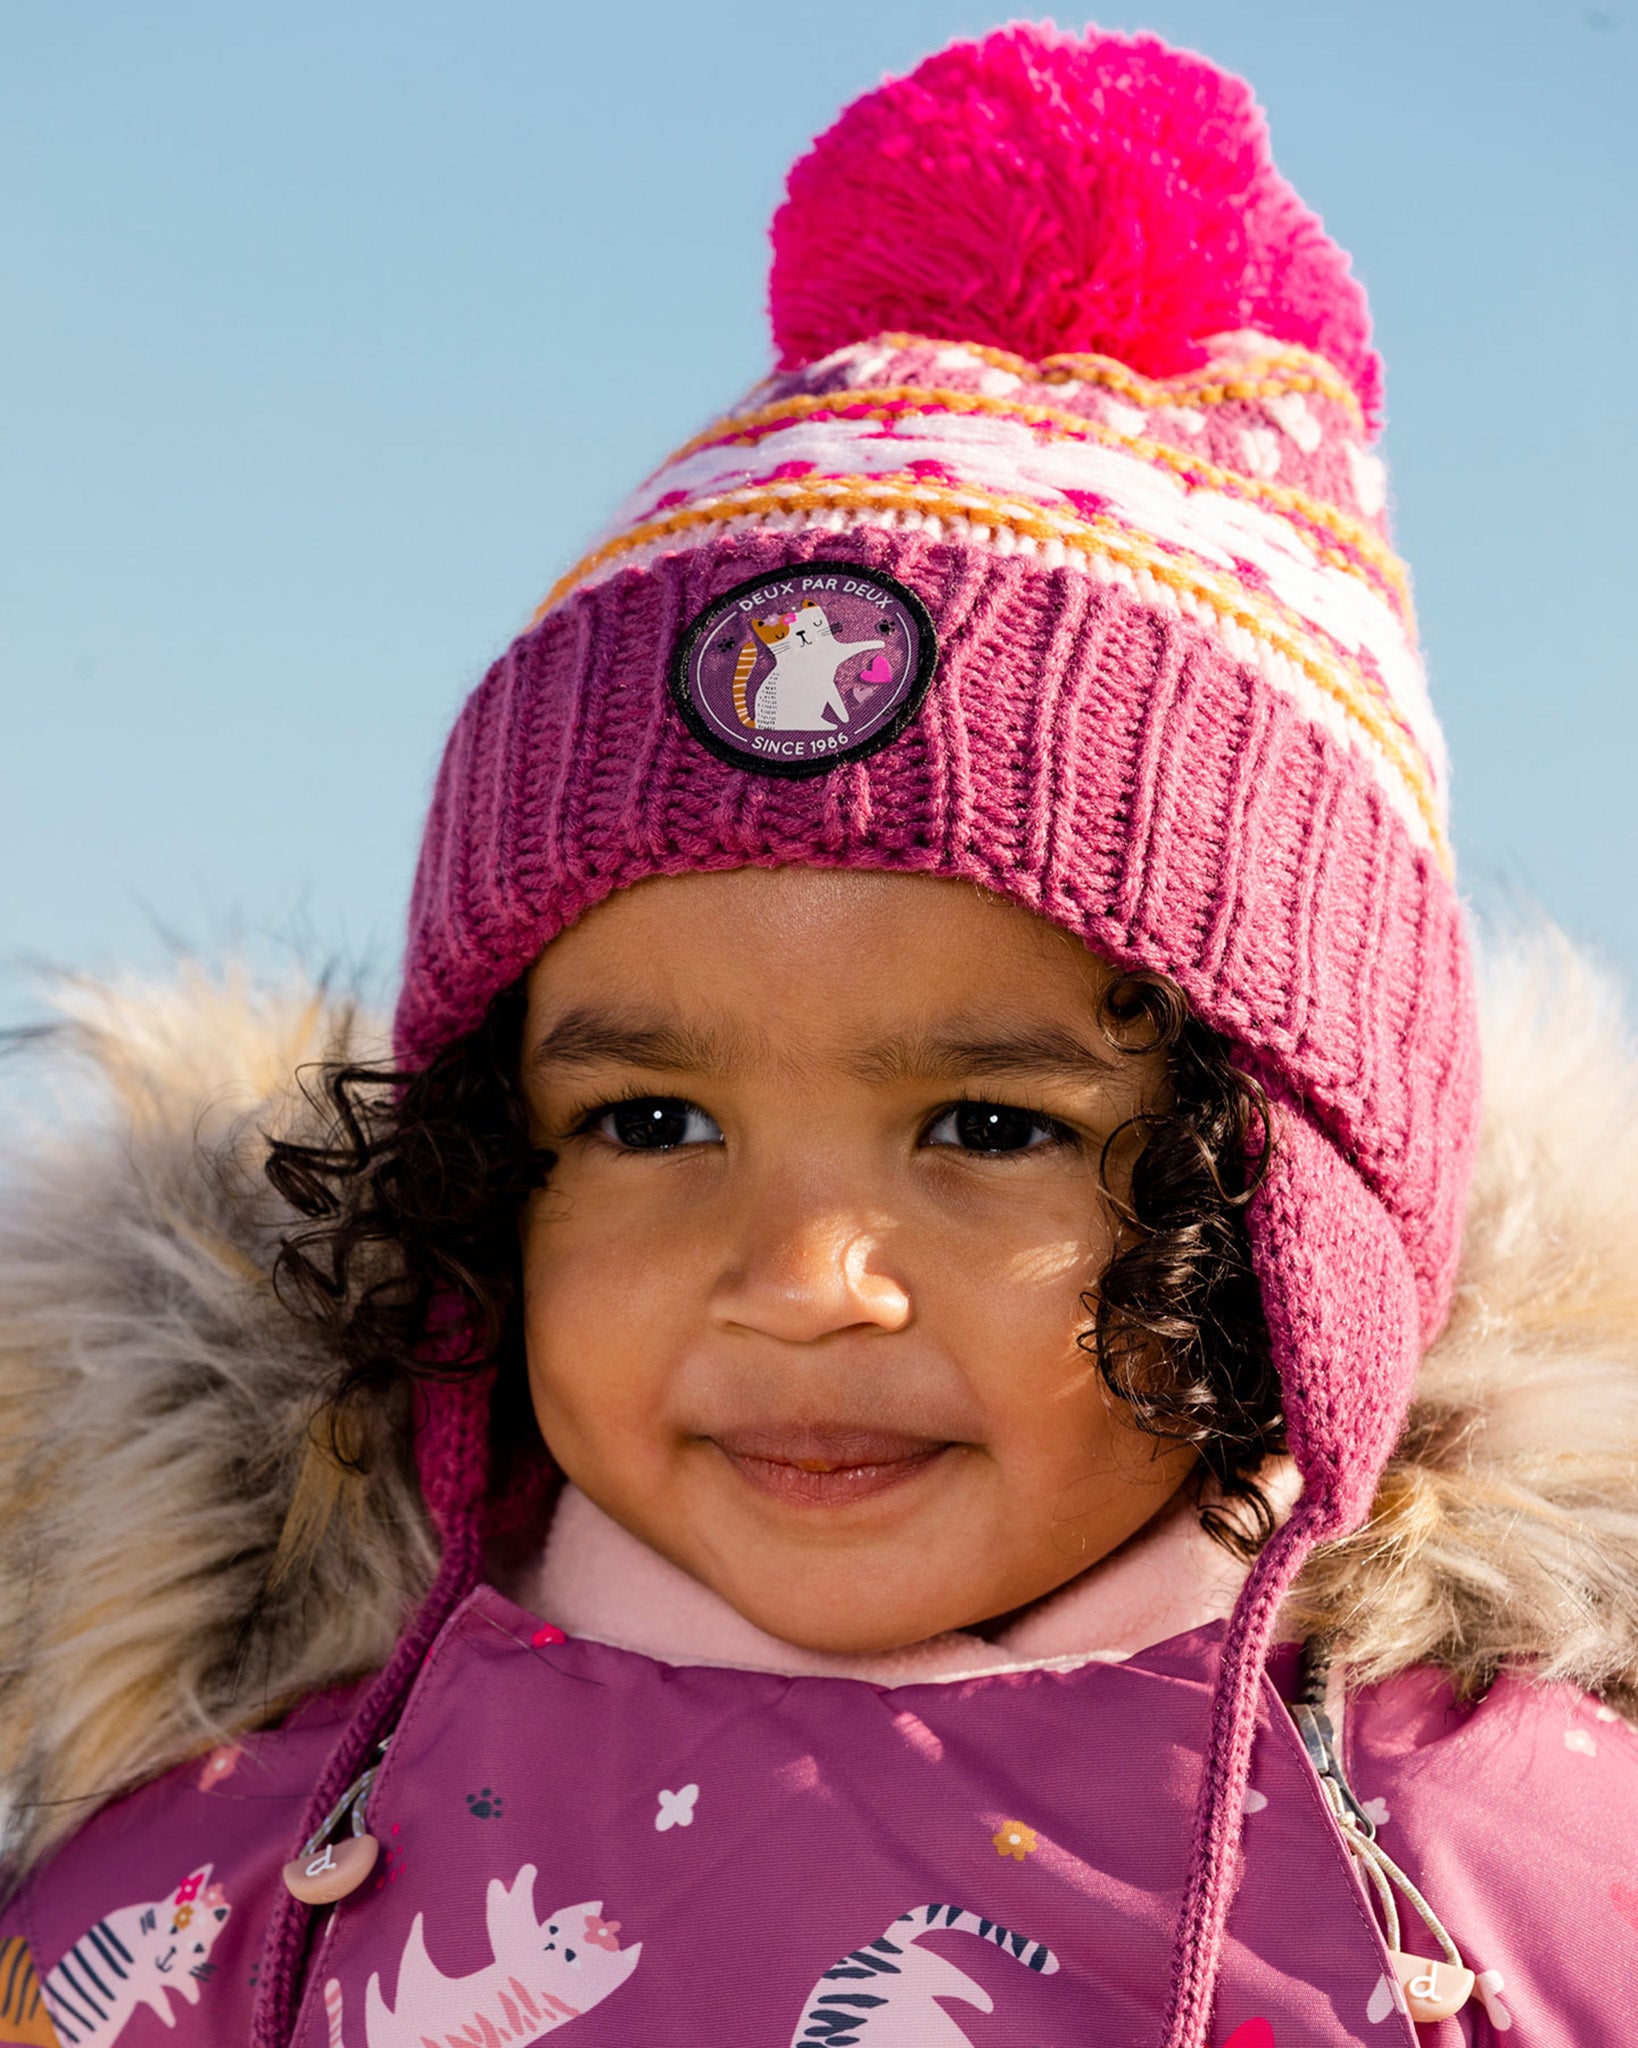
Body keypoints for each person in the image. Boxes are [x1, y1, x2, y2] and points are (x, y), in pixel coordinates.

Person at [2, 22, 1635, 2048]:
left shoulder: (1492, 1883)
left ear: (1288, 1207)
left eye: (987, 1121)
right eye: (654, 1118)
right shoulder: (235, 1877)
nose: (798, 1281)